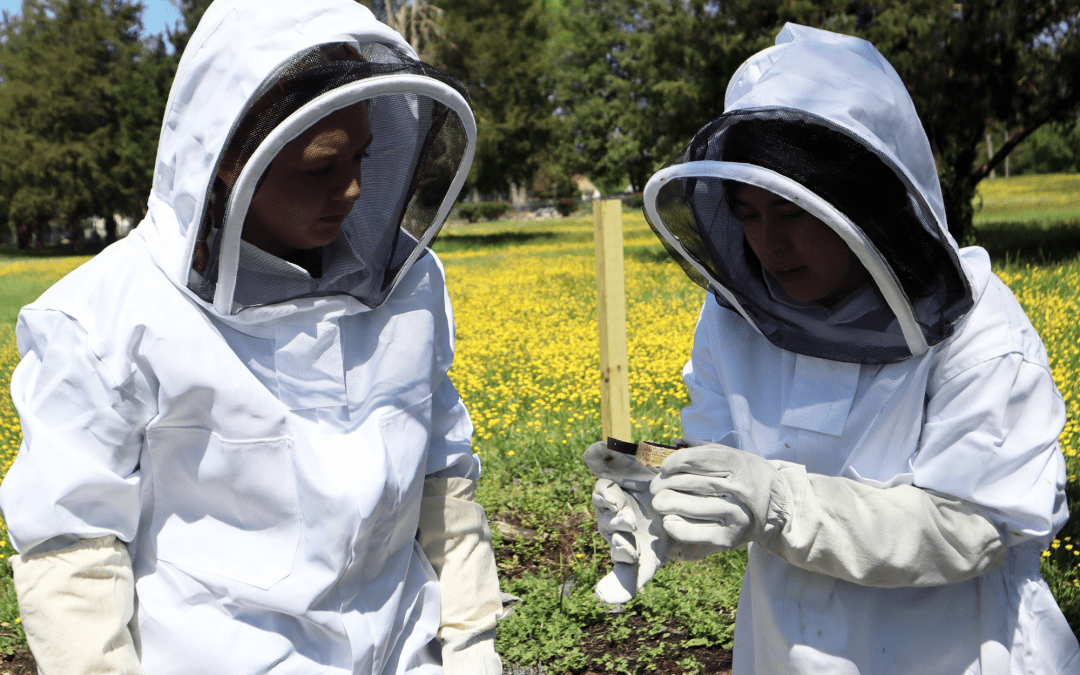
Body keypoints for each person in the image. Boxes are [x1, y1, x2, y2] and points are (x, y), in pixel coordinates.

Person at [0, 1, 504, 673]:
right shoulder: (103, 320)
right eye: (319, 169)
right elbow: (75, 554)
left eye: (362, 155)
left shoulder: (408, 285)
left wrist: (472, 643)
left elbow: (443, 482)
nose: (354, 189)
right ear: (230, 157)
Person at [586, 24, 1079, 673]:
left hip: (953, 650)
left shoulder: (978, 326)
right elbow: (722, 461)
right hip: (782, 646)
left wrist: (779, 504)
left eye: (793, 212)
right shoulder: (739, 316)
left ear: (862, 204)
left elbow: (972, 527)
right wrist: (660, 500)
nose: (769, 244)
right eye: (748, 214)